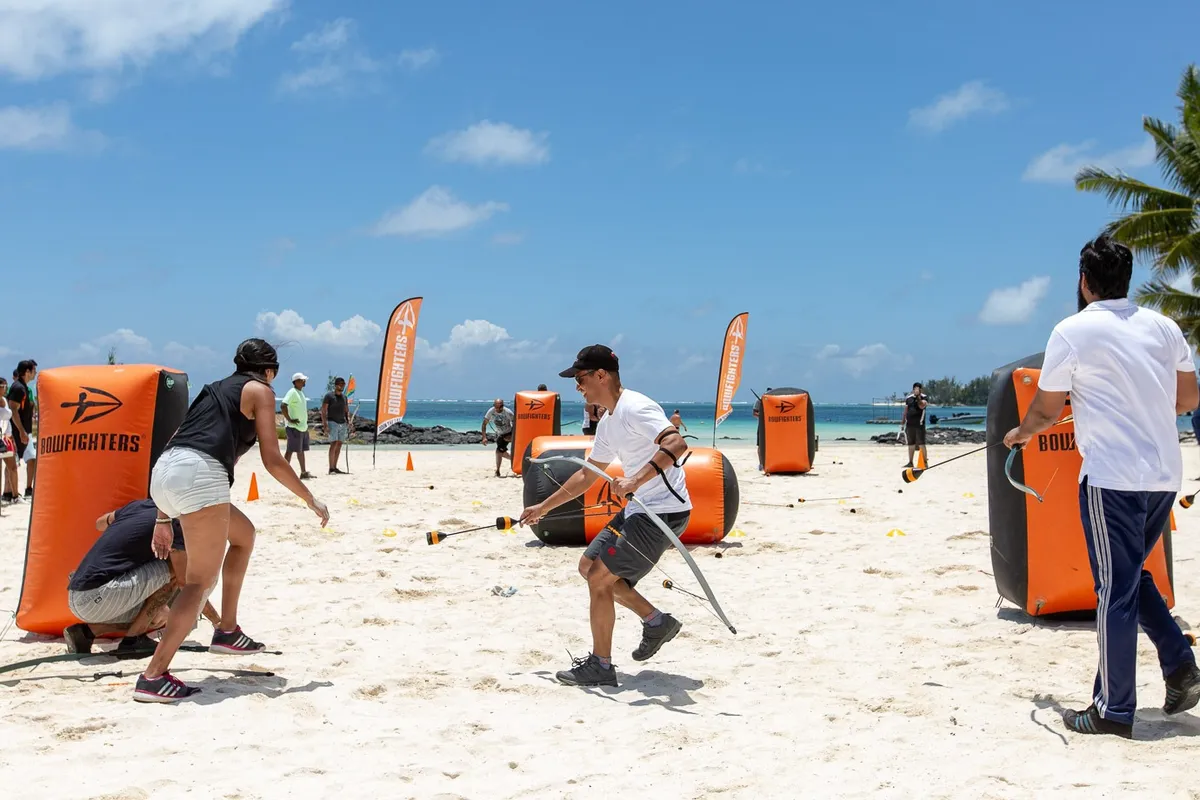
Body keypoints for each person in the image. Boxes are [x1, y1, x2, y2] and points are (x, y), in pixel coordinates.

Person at [1003, 234, 1200, 738]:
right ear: (1126, 279)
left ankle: (1113, 711)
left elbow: (1046, 409)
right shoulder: (1165, 327)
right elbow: (1186, 401)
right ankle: (1179, 666)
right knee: (1131, 574)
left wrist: (1020, 434)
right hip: (1162, 477)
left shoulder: (1072, 331)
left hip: (1112, 479)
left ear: (1085, 282)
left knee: (1114, 589)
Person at [137, 338, 330, 703]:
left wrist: (163, 515)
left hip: (165, 470)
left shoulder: (214, 390)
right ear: (269, 370)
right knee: (199, 582)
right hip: (198, 475)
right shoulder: (262, 391)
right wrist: (310, 498)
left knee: (243, 535)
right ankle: (153, 675)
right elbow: (273, 459)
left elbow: (181, 439)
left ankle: (227, 629)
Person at [519, 345, 690, 688]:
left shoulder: (635, 407)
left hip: (663, 513)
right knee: (588, 567)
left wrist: (634, 480)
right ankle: (655, 621)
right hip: (639, 509)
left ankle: (601, 665)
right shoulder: (609, 422)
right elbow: (586, 475)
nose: (578, 387)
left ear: (601, 376)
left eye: (581, 379)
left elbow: (676, 444)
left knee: (599, 579)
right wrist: (543, 508)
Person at [63, 499, 221, 655]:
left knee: (159, 615)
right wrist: (218, 622)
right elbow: (186, 584)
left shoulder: (141, 505)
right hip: (99, 595)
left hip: (76, 596)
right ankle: (134, 640)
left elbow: (100, 524)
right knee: (174, 571)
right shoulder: (175, 524)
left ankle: (87, 632)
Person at [7, 359, 37, 498]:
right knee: (12, 463)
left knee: (30, 459)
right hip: (18, 432)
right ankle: (10, 493)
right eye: (33, 370)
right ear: (27, 372)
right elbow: (13, 410)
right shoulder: (18, 388)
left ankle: (27, 490)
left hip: (26, 432)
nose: (35, 373)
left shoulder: (23, 387)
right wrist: (21, 431)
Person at [281, 372, 313, 479]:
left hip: (302, 427)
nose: (304, 382)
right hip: (293, 427)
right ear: (297, 381)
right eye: (302, 380)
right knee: (290, 450)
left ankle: (303, 472)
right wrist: (289, 419)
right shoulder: (292, 392)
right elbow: (283, 405)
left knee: (301, 450)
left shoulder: (300, 393)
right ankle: (284, 472)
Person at [321, 377, 350, 475]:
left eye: (343, 384)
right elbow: (324, 410)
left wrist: (349, 421)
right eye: (340, 384)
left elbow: (346, 411)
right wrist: (325, 424)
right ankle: (331, 468)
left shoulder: (344, 397)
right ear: (336, 385)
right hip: (332, 422)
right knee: (333, 444)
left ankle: (335, 466)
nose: (341, 386)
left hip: (342, 423)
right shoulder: (329, 396)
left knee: (339, 444)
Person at [481, 398, 515, 477]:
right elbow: (484, 424)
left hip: (509, 432)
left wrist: (512, 435)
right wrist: (484, 437)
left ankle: (498, 470)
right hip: (500, 434)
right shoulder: (491, 411)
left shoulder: (508, 412)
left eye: (500, 407)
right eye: (496, 407)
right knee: (500, 452)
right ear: (494, 406)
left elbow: (516, 424)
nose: (498, 409)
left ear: (503, 406)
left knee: (498, 452)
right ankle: (512, 460)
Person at [902, 382, 928, 468]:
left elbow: (922, 406)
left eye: (918, 389)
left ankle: (925, 462)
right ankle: (910, 462)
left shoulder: (924, 397)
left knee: (921, 444)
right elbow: (906, 410)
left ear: (921, 389)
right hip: (909, 424)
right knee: (911, 444)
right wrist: (903, 421)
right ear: (913, 389)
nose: (916, 390)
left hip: (919, 424)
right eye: (915, 389)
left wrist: (918, 397)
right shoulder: (909, 398)